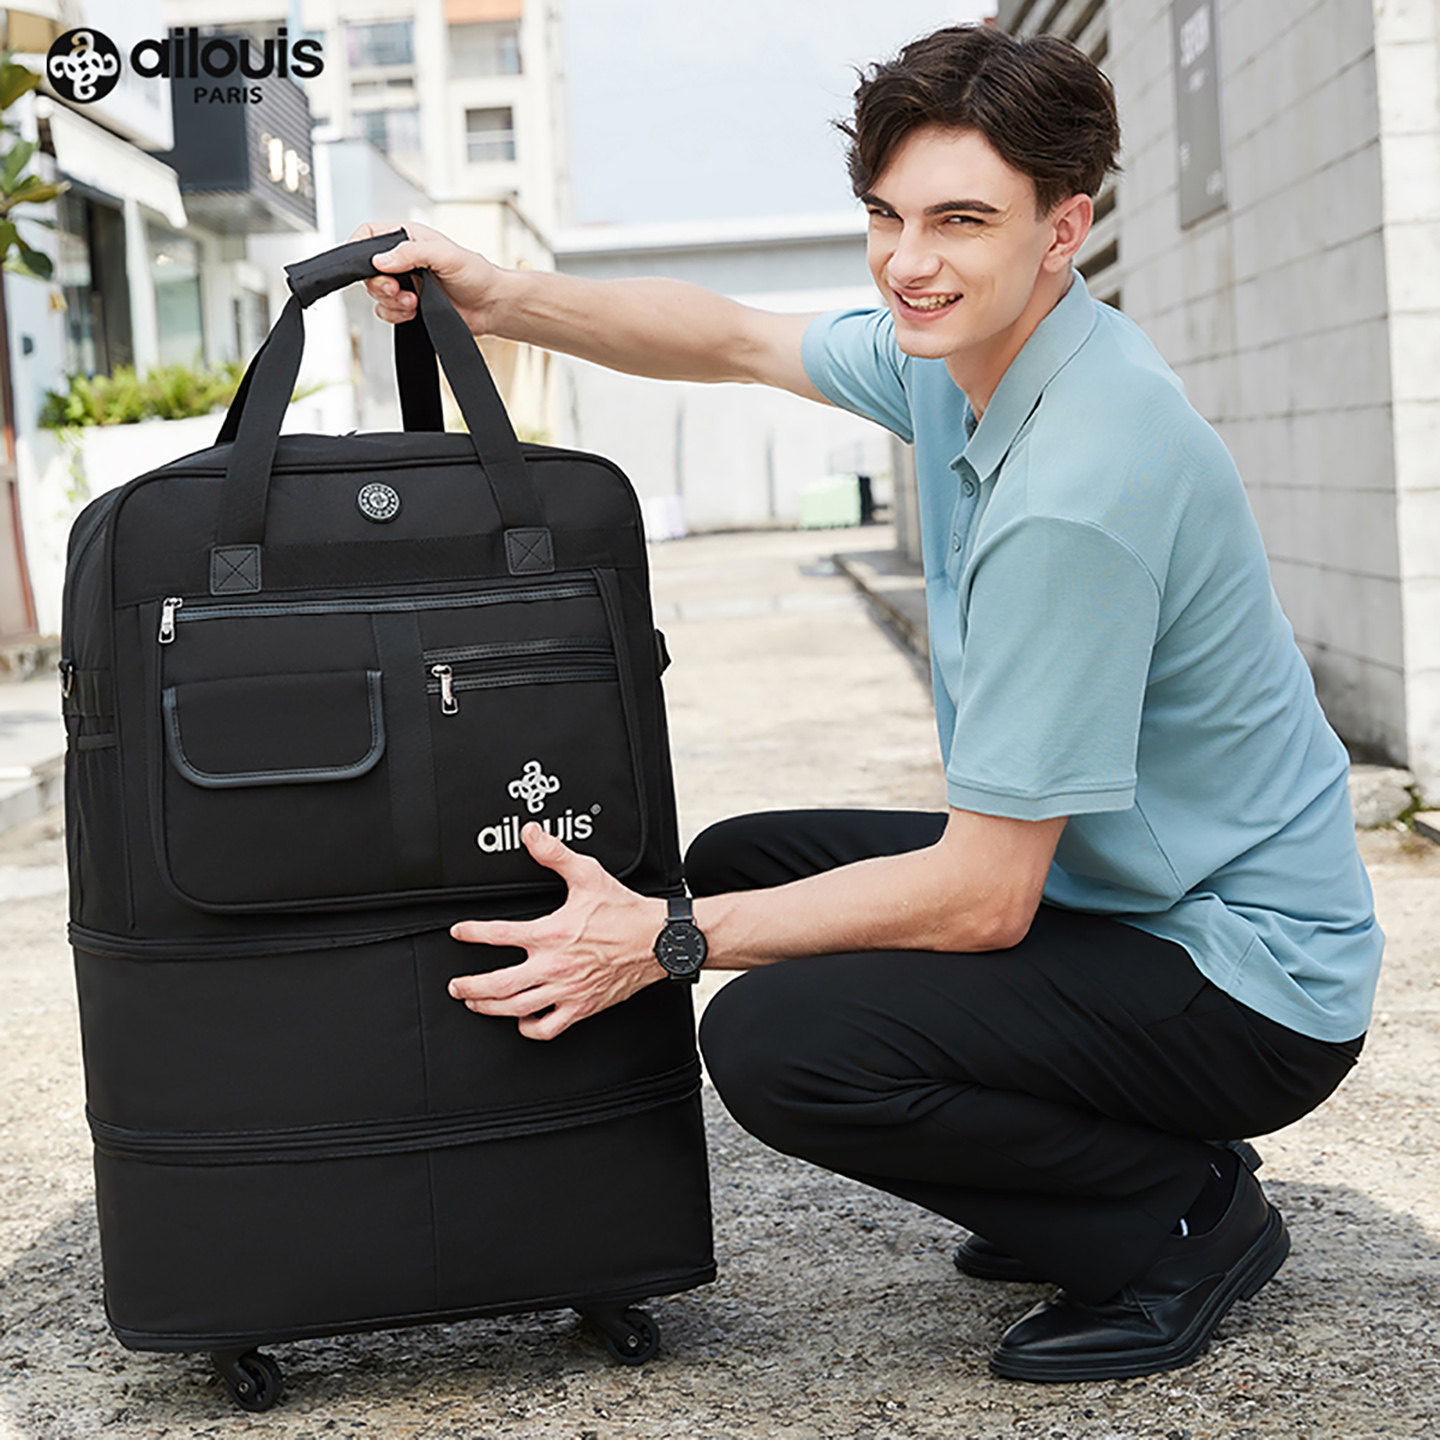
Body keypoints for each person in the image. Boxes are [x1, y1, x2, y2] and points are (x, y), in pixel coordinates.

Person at [351, 23, 1381, 1383]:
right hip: (1126, 895)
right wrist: (496, 296)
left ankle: (1174, 1215)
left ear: (1064, 228)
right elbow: (730, 337)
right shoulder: (966, 361)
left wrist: (659, 942)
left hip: (1248, 980)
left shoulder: (1078, 490)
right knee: (746, 865)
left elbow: (983, 900)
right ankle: (1097, 1153)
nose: (908, 260)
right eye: (889, 216)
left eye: (961, 220)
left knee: (777, 1039)